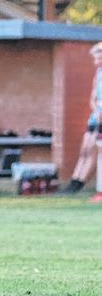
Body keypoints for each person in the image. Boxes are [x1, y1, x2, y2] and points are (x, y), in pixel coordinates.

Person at [63, 42, 102, 194]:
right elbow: (93, 98)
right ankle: (73, 181)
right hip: (96, 116)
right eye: (95, 58)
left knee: (93, 150)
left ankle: (79, 184)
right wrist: (96, 110)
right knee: (85, 149)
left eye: (99, 58)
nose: (96, 62)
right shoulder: (98, 74)